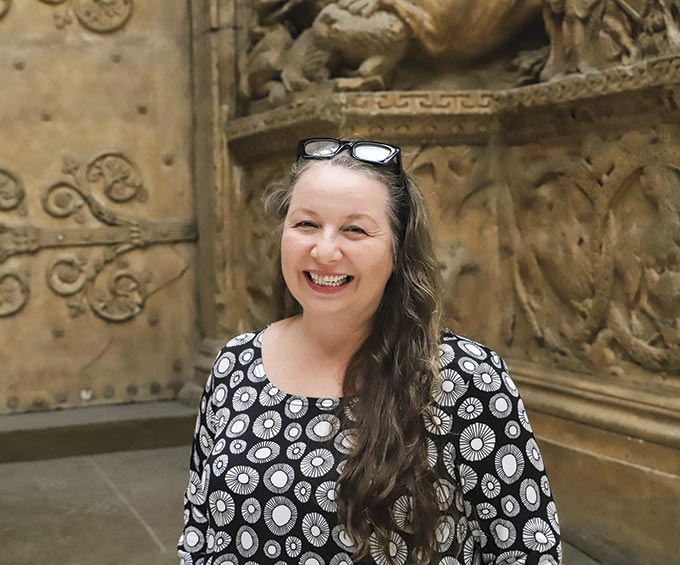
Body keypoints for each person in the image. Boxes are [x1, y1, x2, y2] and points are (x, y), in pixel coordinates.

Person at [178, 138, 563, 564]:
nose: (324, 250)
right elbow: (199, 535)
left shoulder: (464, 377)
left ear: (398, 250)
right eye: (305, 224)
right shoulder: (237, 363)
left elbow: (528, 550)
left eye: (355, 229)